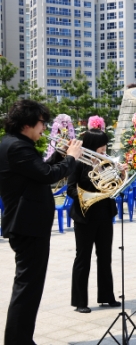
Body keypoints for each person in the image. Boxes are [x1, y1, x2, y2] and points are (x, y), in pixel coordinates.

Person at [0, 100, 82, 344]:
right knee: (27, 289)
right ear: (27, 124)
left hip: (27, 224)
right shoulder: (17, 147)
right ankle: (18, 341)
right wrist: (71, 159)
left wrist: (60, 155)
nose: (43, 128)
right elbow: (47, 175)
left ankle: (22, 338)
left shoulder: (15, 144)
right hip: (27, 225)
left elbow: (38, 171)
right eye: (41, 123)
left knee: (29, 288)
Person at [68, 129, 124, 313]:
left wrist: (121, 175)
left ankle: (107, 296)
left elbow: (114, 186)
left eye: (105, 145)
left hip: (105, 214)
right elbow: (70, 189)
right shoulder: (78, 162)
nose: (104, 148)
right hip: (85, 215)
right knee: (83, 258)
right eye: (101, 145)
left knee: (105, 257)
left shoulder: (107, 162)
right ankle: (80, 301)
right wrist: (86, 196)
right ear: (91, 144)